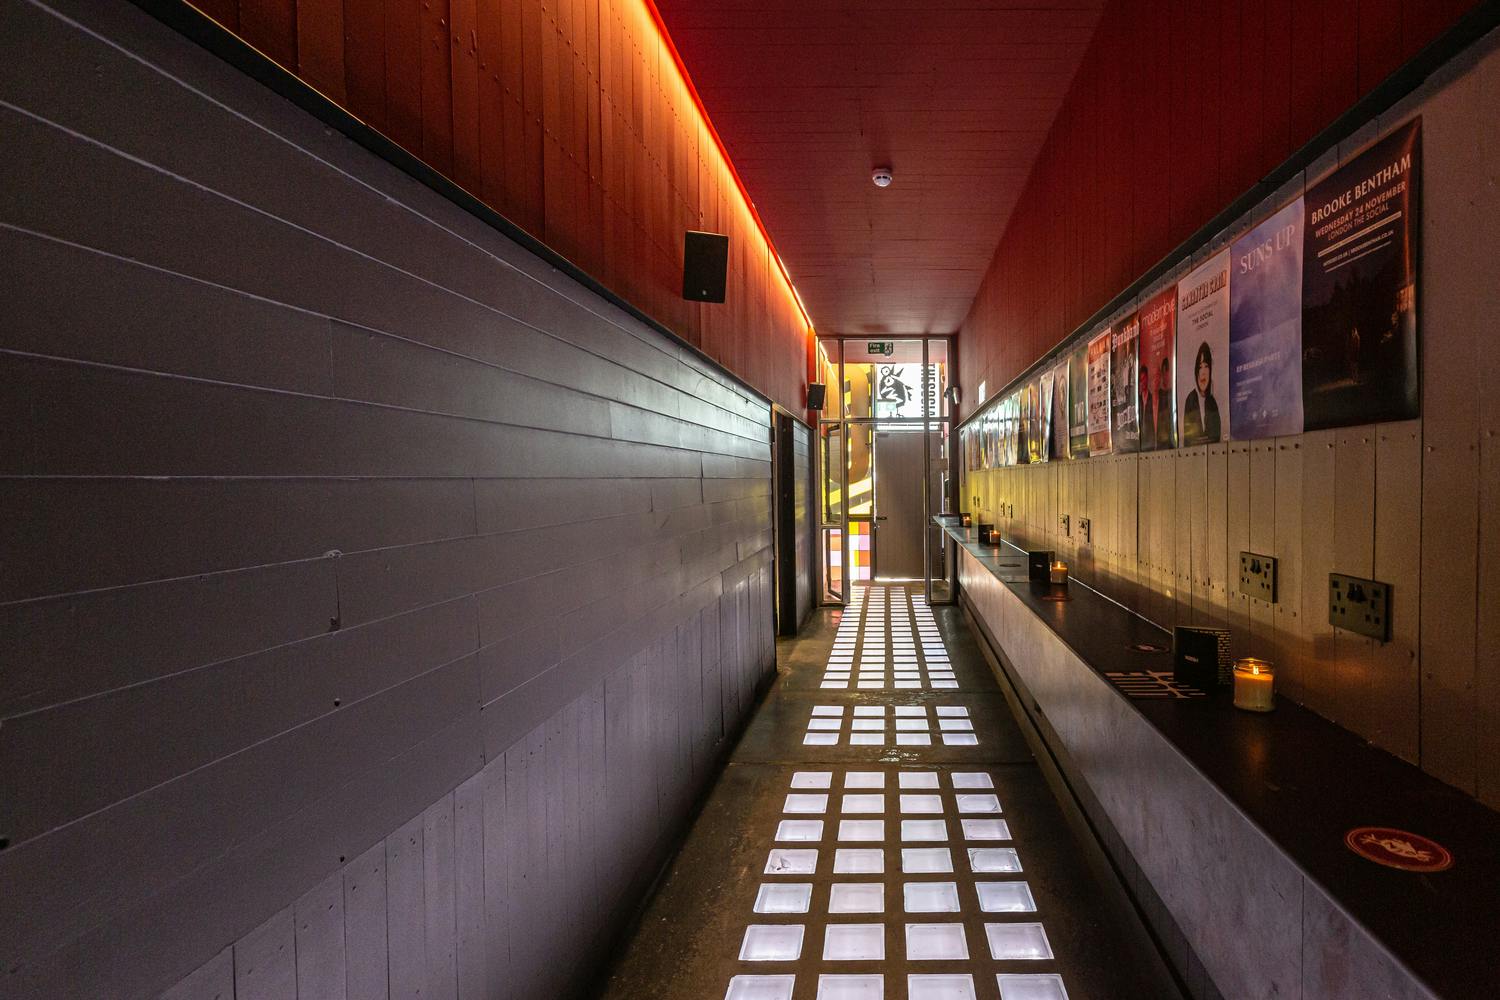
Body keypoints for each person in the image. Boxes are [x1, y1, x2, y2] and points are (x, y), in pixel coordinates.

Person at [1181, 342, 1220, 444]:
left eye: (1206, 366)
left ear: (1210, 370)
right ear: (1196, 371)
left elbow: (1217, 438)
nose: (1203, 372)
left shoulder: (1212, 403)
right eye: (1200, 367)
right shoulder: (1190, 400)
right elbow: (1187, 440)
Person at [1156, 357, 1174, 449]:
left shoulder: (1173, 394)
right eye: (1163, 374)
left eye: (1166, 373)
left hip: (1171, 441)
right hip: (1163, 442)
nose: (1164, 377)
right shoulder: (1161, 395)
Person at [1137, 362, 1155, 448]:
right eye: (1140, 380)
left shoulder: (1152, 398)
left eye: (1144, 378)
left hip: (1151, 441)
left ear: (1147, 378)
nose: (1142, 382)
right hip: (1140, 441)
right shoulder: (1138, 400)